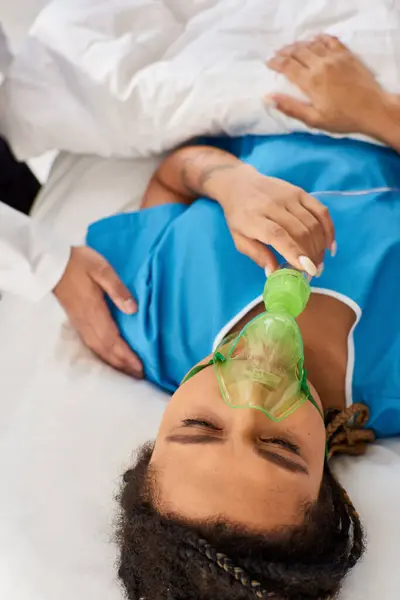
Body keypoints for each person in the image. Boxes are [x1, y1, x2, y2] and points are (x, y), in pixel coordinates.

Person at [87, 36, 400, 599]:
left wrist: (226, 181)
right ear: (329, 482)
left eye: (199, 427)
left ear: (155, 436)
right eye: (281, 447)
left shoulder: (150, 322)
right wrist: (375, 110)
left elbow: (171, 175)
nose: (252, 393)